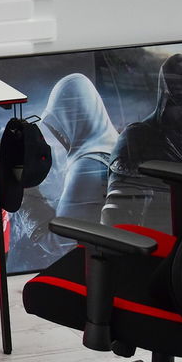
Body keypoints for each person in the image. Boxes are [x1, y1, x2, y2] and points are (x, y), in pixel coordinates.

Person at [25, 73, 118, 258]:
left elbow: (59, 242)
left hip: (96, 260)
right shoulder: (116, 145)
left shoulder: (87, 165)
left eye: (59, 124)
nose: (60, 134)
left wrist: (26, 196)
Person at [102, 53, 182, 233]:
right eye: (178, 102)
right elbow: (116, 214)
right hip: (157, 239)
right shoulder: (137, 138)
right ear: (165, 97)